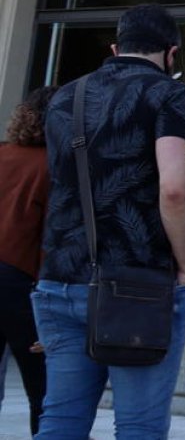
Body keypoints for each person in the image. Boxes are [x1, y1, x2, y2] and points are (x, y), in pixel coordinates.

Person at [33, 4, 185, 438]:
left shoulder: (64, 97)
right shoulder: (171, 94)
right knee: (139, 426)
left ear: (114, 47)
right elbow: (175, 188)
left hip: (60, 275)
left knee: (60, 419)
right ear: (172, 53)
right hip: (137, 283)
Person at [0, 86, 56, 436]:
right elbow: (52, 239)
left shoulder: (2, 154)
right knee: (43, 389)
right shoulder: (52, 168)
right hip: (18, 283)